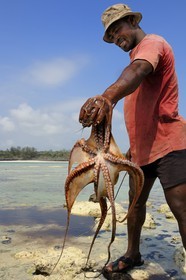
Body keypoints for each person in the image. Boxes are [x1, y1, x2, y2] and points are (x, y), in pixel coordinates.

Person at [79, 3, 186, 277]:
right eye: (111, 36)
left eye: (118, 29)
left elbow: (136, 73)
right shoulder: (135, 57)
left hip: (171, 143)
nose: (116, 38)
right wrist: (130, 150)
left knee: (179, 206)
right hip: (142, 150)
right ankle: (133, 254)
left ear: (133, 22)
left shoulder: (152, 45)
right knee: (136, 204)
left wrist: (107, 97)